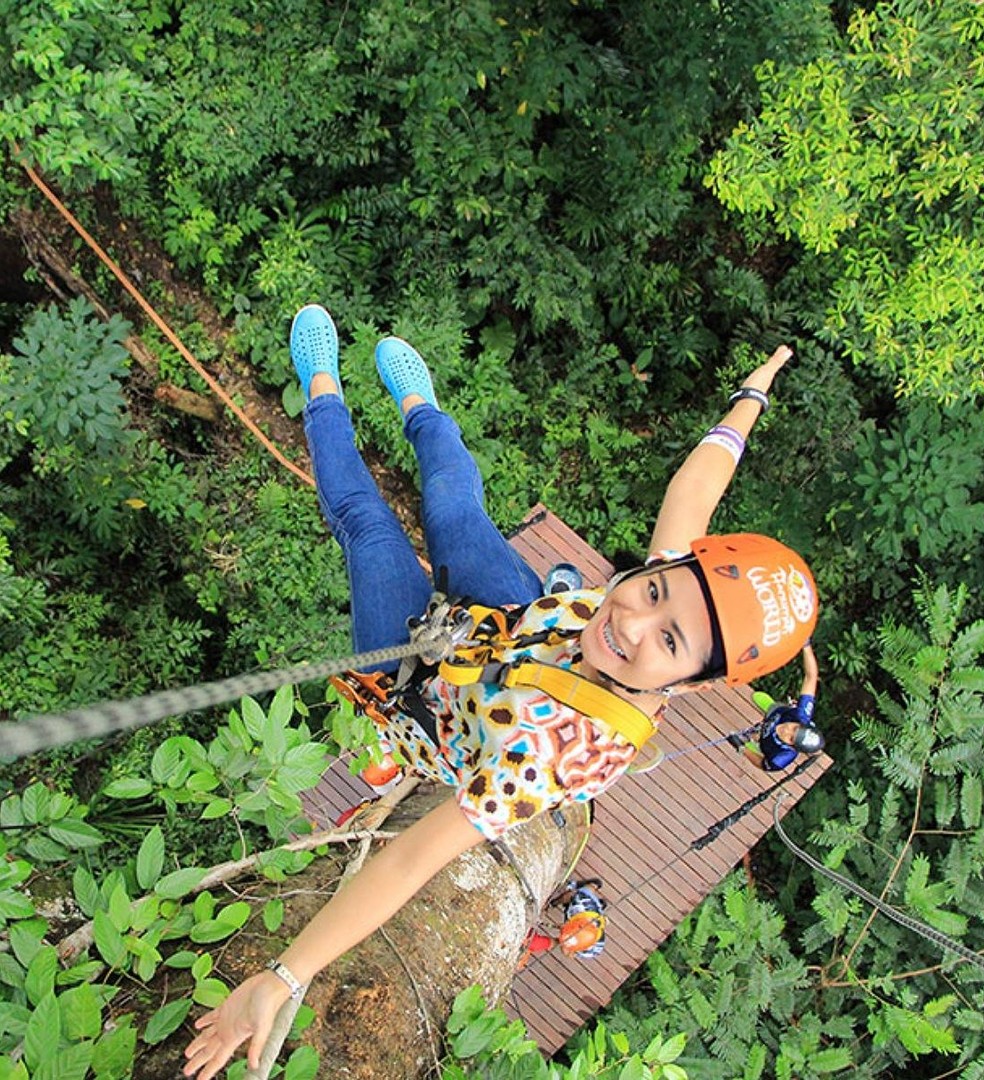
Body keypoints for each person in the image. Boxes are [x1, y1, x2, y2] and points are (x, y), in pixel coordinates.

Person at [182, 306, 817, 1079]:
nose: (636, 621)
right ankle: (422, 410)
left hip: (420, 684)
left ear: (694, 682)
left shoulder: (553, 755)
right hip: (517, 619)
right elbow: (699, 485)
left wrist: (283, 978)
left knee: (369, 526)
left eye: (672, 642)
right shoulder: (656, 596)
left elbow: (411, 861)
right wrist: (751, 394)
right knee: (454, 503)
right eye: (652, 592)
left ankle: (320, 390)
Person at [743, 642, 823, 771]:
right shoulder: (802, 714)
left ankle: (751, 740)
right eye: (794, 727)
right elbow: (811, 677)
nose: (787, 730)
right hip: (778, 713)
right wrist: (806, 645)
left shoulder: (781, 758)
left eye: (791, 738)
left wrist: (743, 750)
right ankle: (769, 706)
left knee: (750, 743)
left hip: (765, 743)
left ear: (793, 748)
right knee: (773, 708)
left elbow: (763, 764)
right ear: (801, 723)